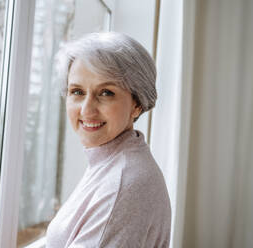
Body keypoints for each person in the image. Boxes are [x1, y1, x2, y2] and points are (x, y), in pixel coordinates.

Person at [45, 32, 171, 248]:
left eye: (105, 93)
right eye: (77, 91)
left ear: (137, 104)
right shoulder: (110, 159)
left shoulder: (123, 184)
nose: (86, 110)